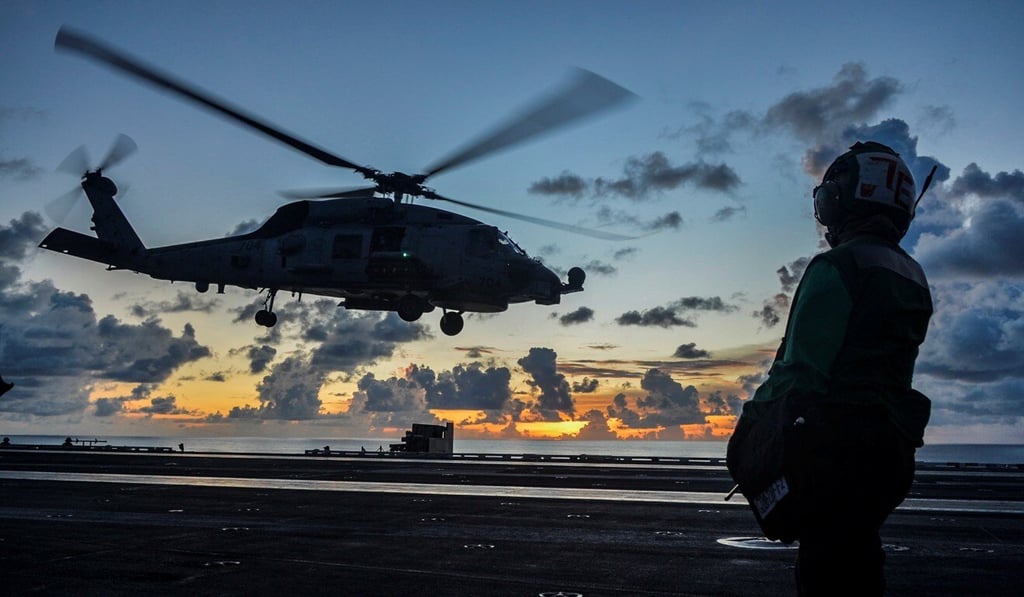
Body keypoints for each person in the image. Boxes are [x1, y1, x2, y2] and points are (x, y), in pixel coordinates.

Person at [730, 141, 933, 595]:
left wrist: (749, 430)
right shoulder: (913, 274)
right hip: (890, 455)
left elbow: (799, 373)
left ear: (843, 200)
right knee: (860, 564)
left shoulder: (839, 265)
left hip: (834, 456)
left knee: (825, 573)